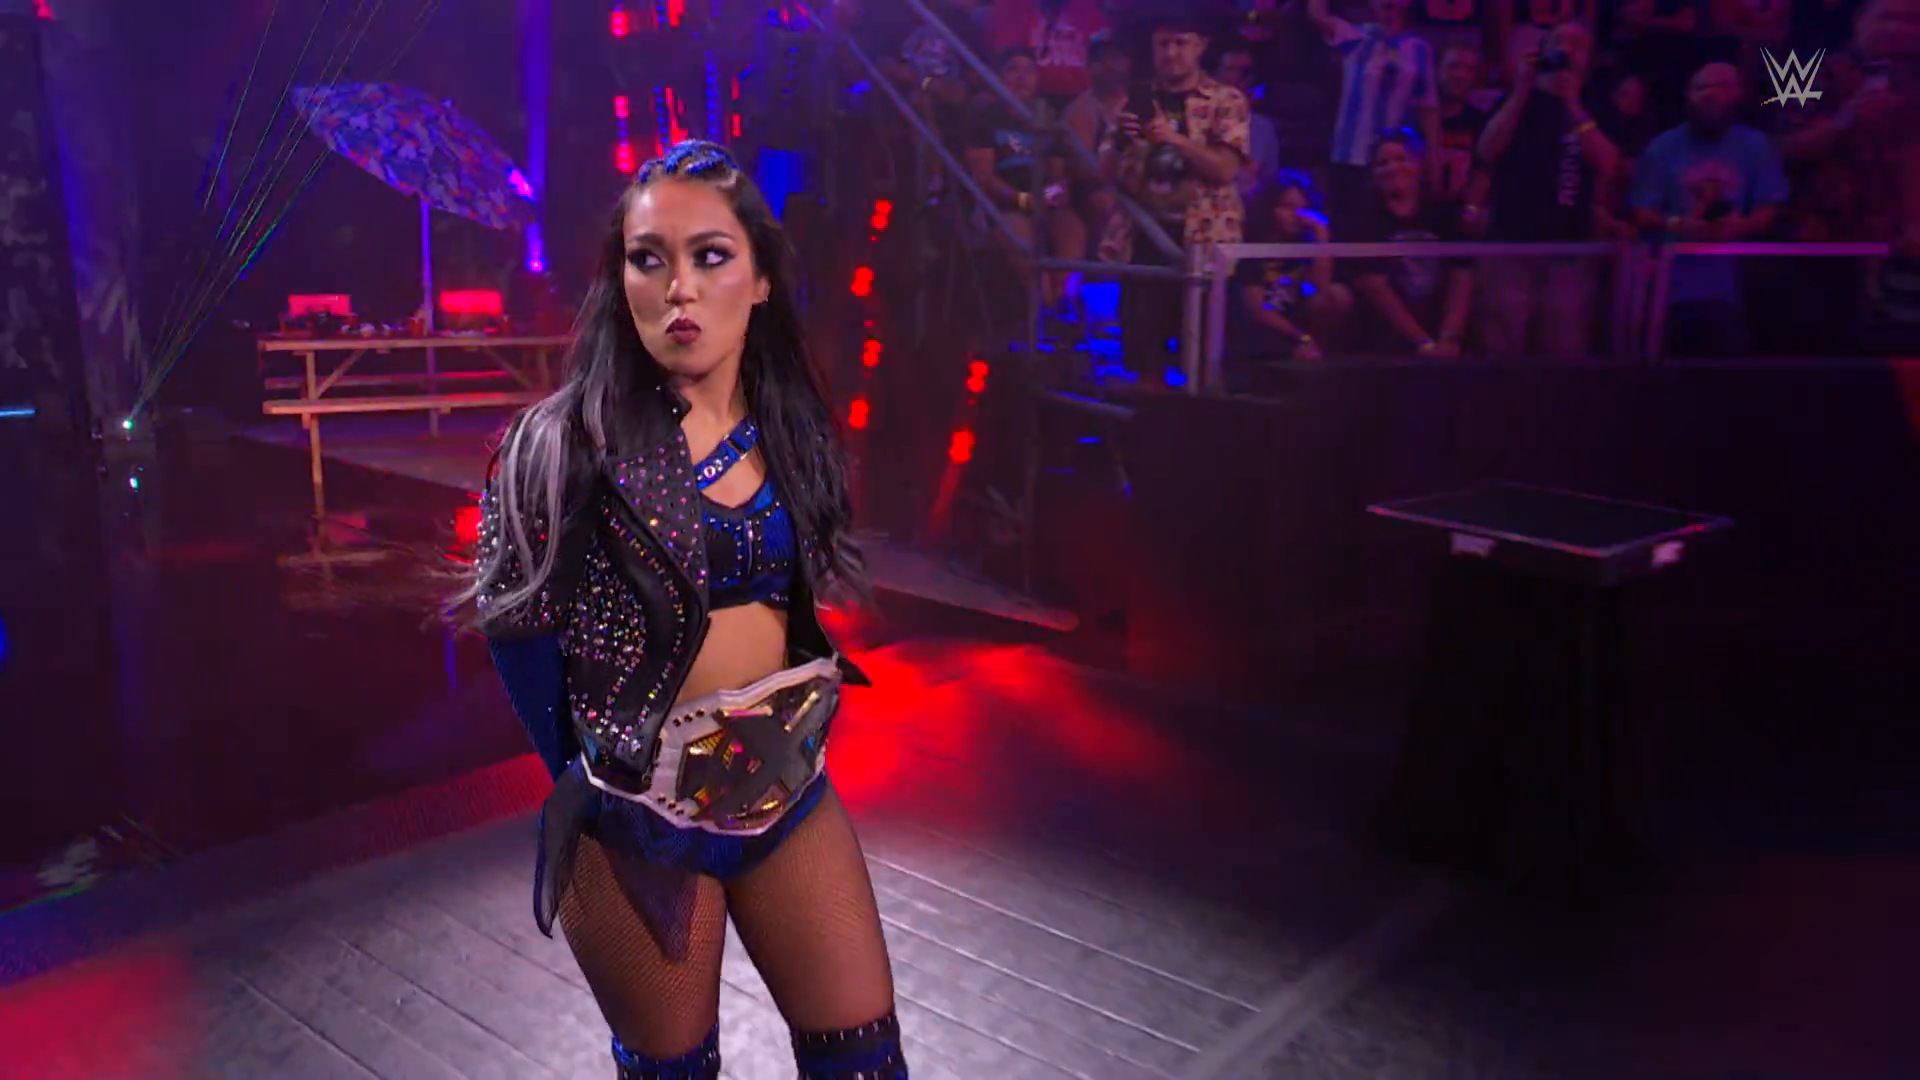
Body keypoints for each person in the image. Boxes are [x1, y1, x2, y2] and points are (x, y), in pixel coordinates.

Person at [456, 141, 905, 1080]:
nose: (679, 289)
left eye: (710, 256)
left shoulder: (789, 422)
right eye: (648, 259)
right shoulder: (561, 442)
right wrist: (590, 781)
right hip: (636, 817)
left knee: (864, 1061)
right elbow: (514, 627)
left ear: (762, 279)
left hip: (786, 787)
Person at [1097, 17, 1252, 377]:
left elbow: (1225, 169)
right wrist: (1119, 141)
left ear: (1200, 46)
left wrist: (1173, 138)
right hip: (1145, 236)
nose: (1170, 53)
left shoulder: (1226, 100)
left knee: (1204, 356)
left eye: (1180, 43)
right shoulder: (1133, 100)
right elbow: (1104, 174)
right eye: (1163, 44)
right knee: (1144, 357)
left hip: (1204, 236)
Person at [1475, 20, 1618, 360]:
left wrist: (1572, 104)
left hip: (1570, 249)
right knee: (1502, 349)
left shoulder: (1595, 105)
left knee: (1563, 350)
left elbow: (1608, 163)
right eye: (1558, 41)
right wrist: (1522, 88)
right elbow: (1487, 150)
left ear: (1589, 59)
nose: (1566, 49)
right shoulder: (1516, 99)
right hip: (1510, 244)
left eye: (1577, 45)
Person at [1630, 62, 1788, 356]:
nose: (1710, 95)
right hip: (1670, 287)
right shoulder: (1662, 148)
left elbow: (1769, 209)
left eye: (1721, 87)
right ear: (1688, 96)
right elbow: (1640, 212)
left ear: (1738, 94)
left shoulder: (1756, 146)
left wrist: (1737, 226)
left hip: (1734, 286)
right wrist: (1678, 225)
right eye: (1701, 88)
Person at [965, 47, 1085, 311]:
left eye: (1028, 71)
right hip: (1003, 205)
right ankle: (1043, 304)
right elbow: (984, 178)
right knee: (1020, 236)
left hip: (1043, 200)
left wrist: (1057, 191)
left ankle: (1063, 302)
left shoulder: (1046, 117)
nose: (1022, 78)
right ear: (999, 77)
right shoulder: (986, 117)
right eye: (1013, 70)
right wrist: (1023, 200)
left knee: (1072, 228)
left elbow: (1058, 170)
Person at [1306, 0, 1441, 228]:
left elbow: (1429, 108)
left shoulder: (1419, 49)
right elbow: (1316, 14)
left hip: (1396, 159)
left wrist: (1433, 158)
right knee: (1352, 225)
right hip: (1351, 155)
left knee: (1392, 223)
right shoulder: (1354, 36)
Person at [1342, 129, 1476, 356]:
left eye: (1401, 159)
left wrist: (1449, 338)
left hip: (1444, 326)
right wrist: (1425, 344)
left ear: (1419, 164)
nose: (1392, 168)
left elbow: (1462, 278)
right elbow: (1375, 288)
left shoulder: (1445, 213)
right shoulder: (1363, 219)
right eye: (1382, 163)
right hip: (1386, 336)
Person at [1231, 173, 1354, 367]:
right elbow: (1257, 310)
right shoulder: (1254, 248)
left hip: (1297, 323)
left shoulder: (1303, 245)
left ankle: (1316, 351)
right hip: (1264, 329)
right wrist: (1300, 337)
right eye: (1288, 207)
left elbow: (1322, 288)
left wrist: (1321, 233)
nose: (1297, 216)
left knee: (1338, 295)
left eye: (1302, 209)